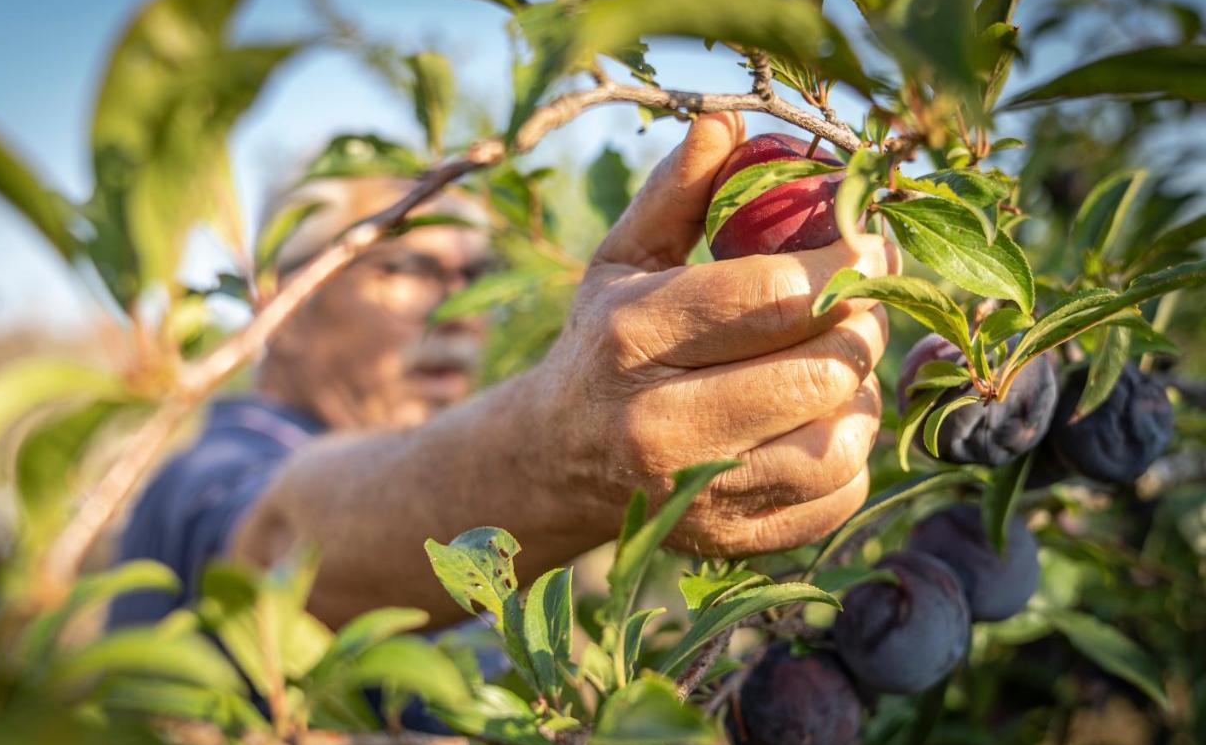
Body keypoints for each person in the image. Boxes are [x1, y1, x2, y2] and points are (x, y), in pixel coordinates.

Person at [110, 111, 897, 632]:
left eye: (474, 274)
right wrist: (562, 457)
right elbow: (284, 540)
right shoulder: (202, 481)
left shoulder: (485, 543)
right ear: (281, 301)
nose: (462, 312)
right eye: (412, 267)